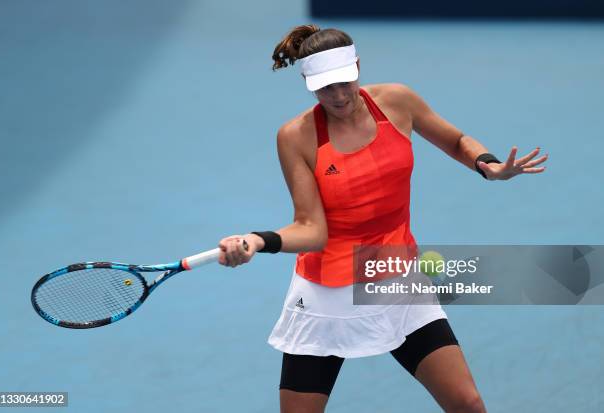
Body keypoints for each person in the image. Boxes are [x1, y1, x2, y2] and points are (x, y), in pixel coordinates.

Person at [218, 24, 547, 413]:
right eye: (325, 88)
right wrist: (258, 240)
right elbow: (311, 229)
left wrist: (487, 165)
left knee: (467, 404)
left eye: (345, 82)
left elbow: (457, 141)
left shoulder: (397, 101)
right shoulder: (295, 137)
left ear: (357, 66)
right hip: (329, 292)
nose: (339, 96)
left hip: (397, 276)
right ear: (307, 82)